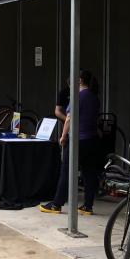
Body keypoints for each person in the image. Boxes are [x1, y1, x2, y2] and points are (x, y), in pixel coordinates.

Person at [40, 70, 102, 215]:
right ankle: (88, 206)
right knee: (89, 173)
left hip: (78, 140)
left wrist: (63, 136)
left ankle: (56, 204)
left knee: (67, 171)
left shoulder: (78, 97)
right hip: (92, 140)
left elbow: (69, 118)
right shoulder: (94, 97)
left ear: (79, 80)